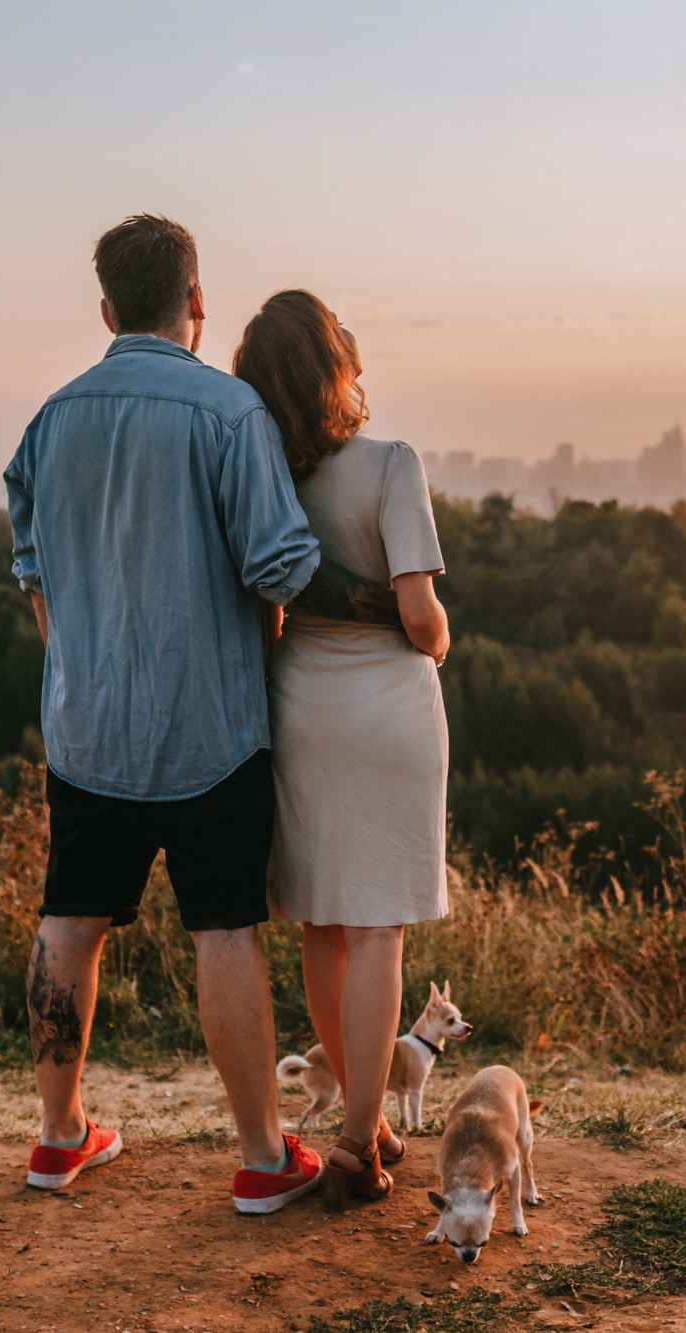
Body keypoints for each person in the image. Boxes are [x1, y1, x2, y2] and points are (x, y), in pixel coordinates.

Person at [3, 216, 404, 1215]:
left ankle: (57, 1138)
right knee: (221, 928)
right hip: (210, 732)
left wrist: (81, 660)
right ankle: (262, 1157)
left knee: (70, 918)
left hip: (86, 725)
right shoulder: (228, 414)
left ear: (105, 309)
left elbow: (34, 577)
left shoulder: (47, 422)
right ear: (195, 300)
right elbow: (281, 565)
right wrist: (389, 607)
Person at [234, 291, 452, 1211]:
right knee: (378, 929)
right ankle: (362, 1133)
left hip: (302, 707)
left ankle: (363, 1122)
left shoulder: (262, 480)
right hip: (388, 711)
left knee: (323, 924)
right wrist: (440, 636)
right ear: (336, 368)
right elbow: (417, 615)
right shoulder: (391, 463)